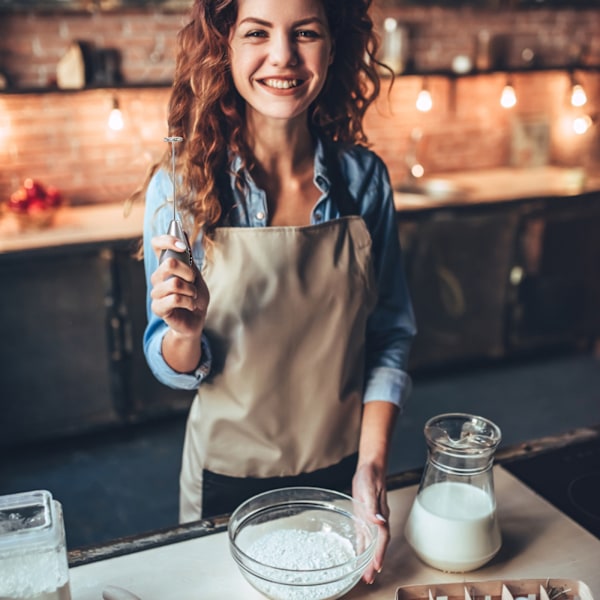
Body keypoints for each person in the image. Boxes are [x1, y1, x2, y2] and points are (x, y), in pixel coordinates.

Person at [141, 0, 416, 584]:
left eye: (306, 32)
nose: (283, 56)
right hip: (225, 475)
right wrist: (184, 334)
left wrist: (371, 466)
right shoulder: (181, 187)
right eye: (258, 33)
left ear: (333, 45)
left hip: (341, 466)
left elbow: (389, 334)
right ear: (226, 47)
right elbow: (170, 364)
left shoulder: (365, 182)